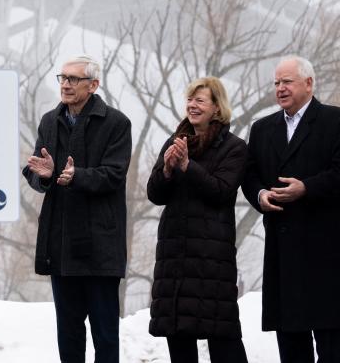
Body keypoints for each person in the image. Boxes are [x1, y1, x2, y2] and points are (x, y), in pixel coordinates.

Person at [23, 55, 131, 363]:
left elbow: (114, 173)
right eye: (63, 78)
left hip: (100, 246)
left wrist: (77, 176)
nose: (66, 85)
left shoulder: (116, 123)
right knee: (68, 335)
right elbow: (35, 170)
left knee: (105, 335)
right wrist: (43, 176)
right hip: (61, 244)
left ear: (93, 85)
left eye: (73, 79)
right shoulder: (49, 121)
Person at [242, 56, 340, 363]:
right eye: (276, 83)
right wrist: (259, 195)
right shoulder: (262, 129)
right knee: (291, 345)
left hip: (326, 252)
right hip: (283, 251)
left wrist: (306, 188)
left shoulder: (334, 121)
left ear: (309, 83)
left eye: (287, 82)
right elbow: (249, 174)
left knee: (332, 345)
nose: (280, 89)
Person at [146, 77, 248, 362]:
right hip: (174, 257)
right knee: (178, 337)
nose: (192, 105)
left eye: (199, 100)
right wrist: (166, 170)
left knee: (223, 340)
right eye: (190, 100)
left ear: (217, 108)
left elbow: (221, 191)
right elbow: (154, 194)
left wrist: (188, 167)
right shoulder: (175, 141)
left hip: (210, 259)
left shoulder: (234, 147)